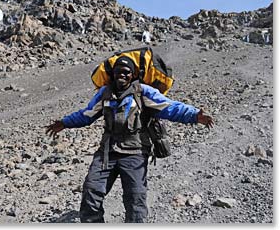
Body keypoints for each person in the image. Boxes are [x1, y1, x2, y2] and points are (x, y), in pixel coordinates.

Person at [46, 56, 214, 223]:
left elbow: (169, 107)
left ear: (133, 75)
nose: (123, 75)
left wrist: (194, 115)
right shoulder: (105, 93)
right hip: (107, 152)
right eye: (119, 71)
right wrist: (64, 123)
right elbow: (86, 114)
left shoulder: (142, 92)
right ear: (113, 74)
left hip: (135, 152)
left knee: (135, 198)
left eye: (127, 72)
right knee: (91, 190)